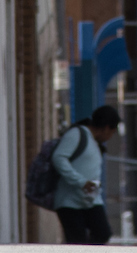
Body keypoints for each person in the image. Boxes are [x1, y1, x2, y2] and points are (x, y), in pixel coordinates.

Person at [50, 105, 122, 245]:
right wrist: (81, 182)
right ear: (106, 128)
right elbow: (58, 158)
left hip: (90, 200)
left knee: (103, 233)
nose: (110, 137)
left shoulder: (94, 142)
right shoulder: (77, 134)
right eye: (112, 133)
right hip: (69, 201)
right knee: (77, 241)